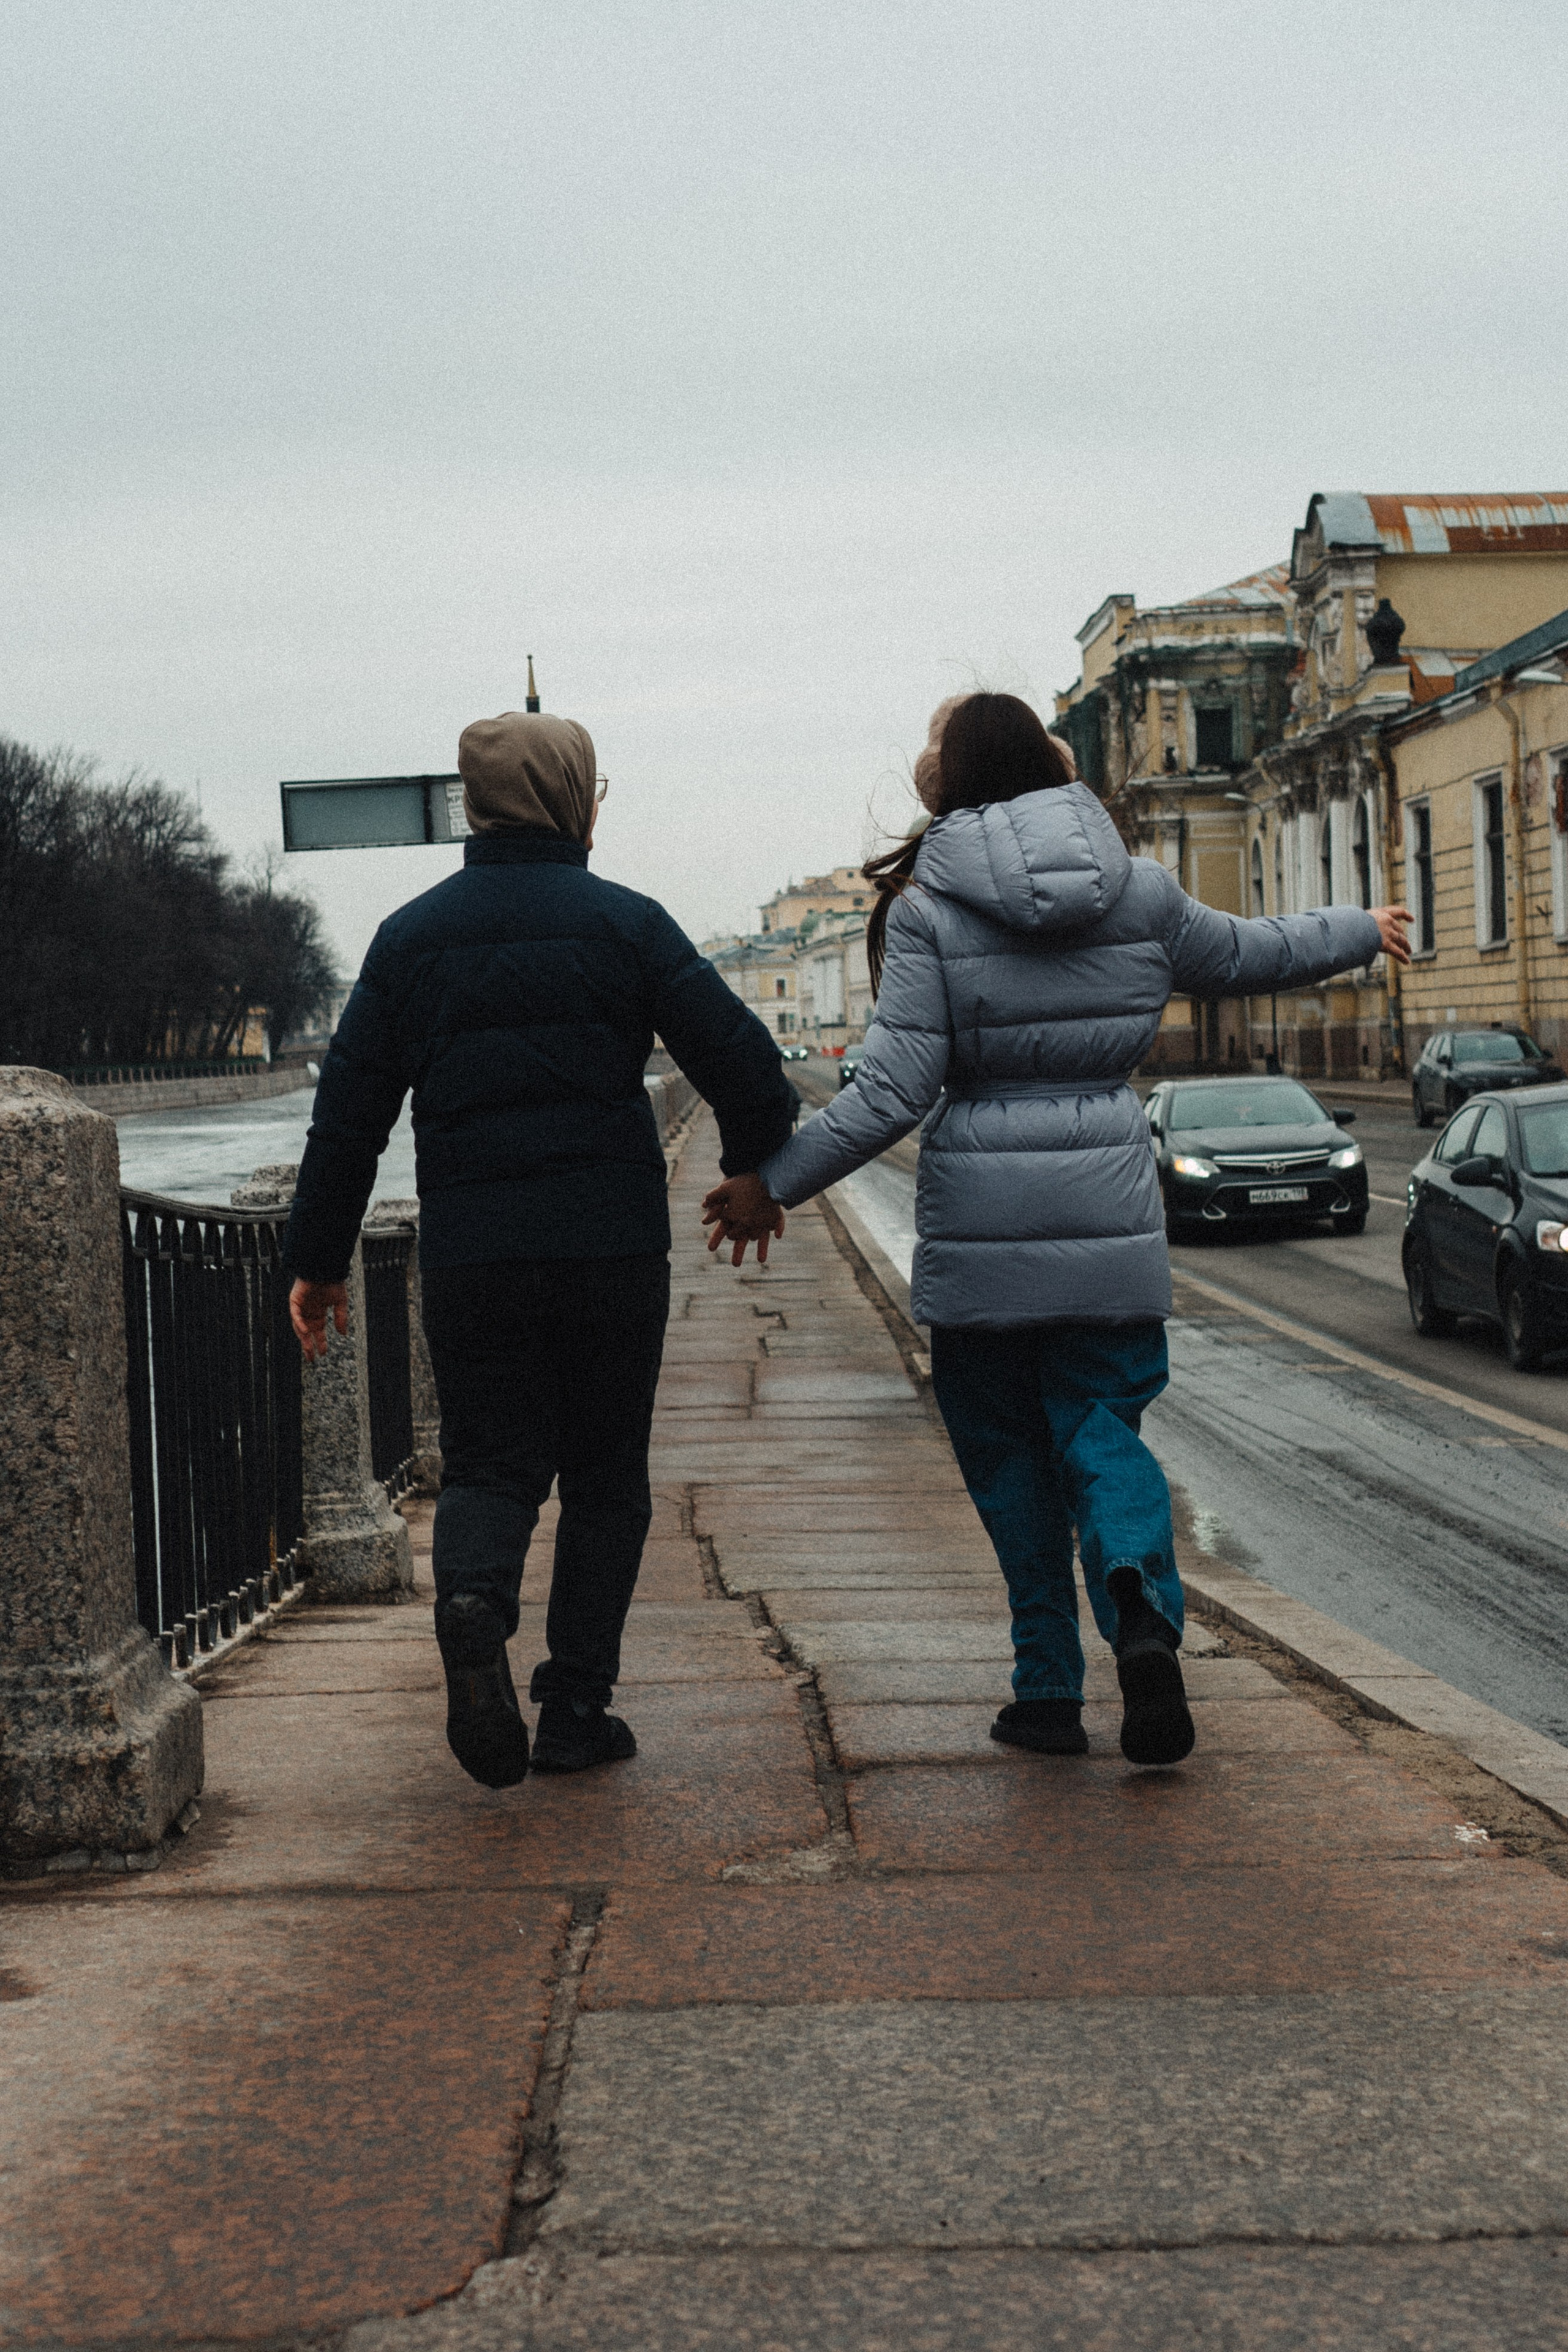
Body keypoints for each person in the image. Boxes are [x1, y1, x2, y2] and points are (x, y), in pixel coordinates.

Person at [703, 692, 1409, 1768]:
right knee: (1105, 1431)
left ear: (953, 778)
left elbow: (891, 1094)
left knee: (1007, 1461)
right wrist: (1363, 927)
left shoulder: (932, 904)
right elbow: (1252, 951)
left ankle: (1045, 1692)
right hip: (1110, 1214)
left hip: (982, 1232)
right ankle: (1138, 1608)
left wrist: (776, 1185)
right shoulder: (1141, 890)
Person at [285, 709, 796, 1789]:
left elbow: (348, 1119)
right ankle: (574, 1711)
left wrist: (321, 1261)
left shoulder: (408, 939)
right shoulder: (629, 926)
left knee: (491, 1461)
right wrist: (751, 1177)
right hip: (610, 1250)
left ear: (475, 805)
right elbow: (753, 1072)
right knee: (607, 1478)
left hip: (473, 1254)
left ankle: (473, 1607)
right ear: (577, 800)